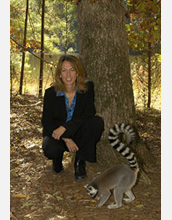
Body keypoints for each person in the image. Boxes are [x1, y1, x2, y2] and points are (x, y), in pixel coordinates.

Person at [41, 55, 104, 181]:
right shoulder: (50, 93)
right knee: (51, 148)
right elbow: (47, 122)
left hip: (79, 133)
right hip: (57, 135)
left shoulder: (87, 89)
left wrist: (65, 127)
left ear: (78, 73)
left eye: (72, 70)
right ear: (59, 74)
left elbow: (89, 114)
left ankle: (80, 162)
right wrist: (66, 138)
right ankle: (57, 160)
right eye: (64, 70)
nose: (68, 74)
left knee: (96, 122)